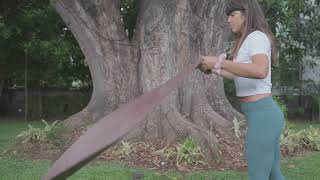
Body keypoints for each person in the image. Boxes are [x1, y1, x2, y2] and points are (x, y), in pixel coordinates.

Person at [198, 0, 285, 179]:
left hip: (264, 116)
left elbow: (260, 70)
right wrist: (214, 69)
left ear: (245, 15)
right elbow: (240, 74)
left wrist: (219, 61)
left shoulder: (256, 37)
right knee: (274, 175)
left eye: (232, 15)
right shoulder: (245, 41)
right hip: (261, 115)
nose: (229, 20)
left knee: (257, 176)